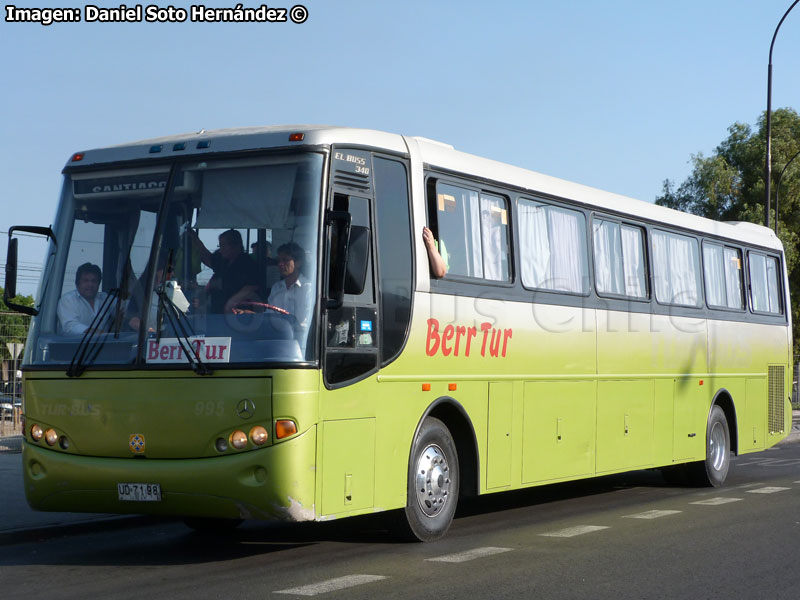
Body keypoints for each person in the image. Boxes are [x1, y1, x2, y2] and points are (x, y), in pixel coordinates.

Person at [190, 229, 260, 313]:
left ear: (236, 245)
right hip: (217, 309)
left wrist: (231, 302)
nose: (221, 250)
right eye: (220, 246)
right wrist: (195, 240)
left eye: (224, 245)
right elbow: (208, 259)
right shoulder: (222, 260)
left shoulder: (247, 264)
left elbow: (252, 287)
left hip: (237, 315)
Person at [267, 242, 312, 330]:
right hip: (277, 336)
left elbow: (306, 323)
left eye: (285, 260)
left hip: (300, 339)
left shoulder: (308, 288)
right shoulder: (276, 288)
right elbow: (269, 316)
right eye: (279, 260)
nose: (280, 264)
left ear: (298, 263)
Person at [57, 263, 109, 335]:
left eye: (94, 281)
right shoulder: (68, 300)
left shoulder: (105, 299)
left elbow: (124, 307)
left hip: (105, 344)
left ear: (98, 284)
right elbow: (71, 327)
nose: (90, 284)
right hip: (75, 345)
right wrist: (102, 334)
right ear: (77, 283)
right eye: (86, 280)